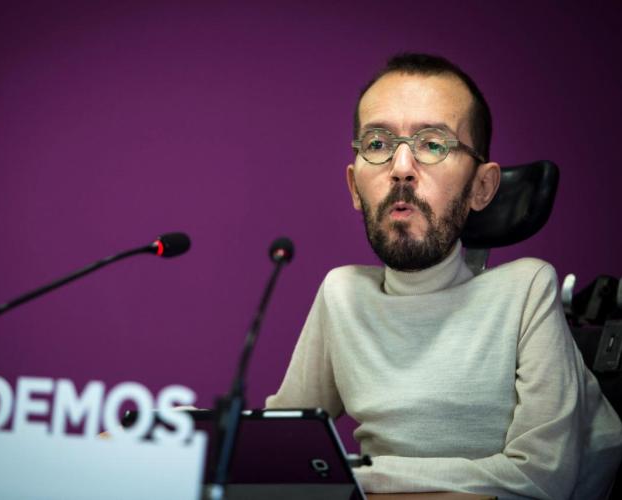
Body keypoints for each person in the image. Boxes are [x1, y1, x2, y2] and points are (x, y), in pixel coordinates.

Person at [265, 53, 622, 499]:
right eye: (377, 143)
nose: (400, 167)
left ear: (481, 187)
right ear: (355, 187)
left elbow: (541, 478)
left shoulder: (527, 290)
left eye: (433, 145)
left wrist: (356, 475)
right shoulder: (343, 294)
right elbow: (276, 447)